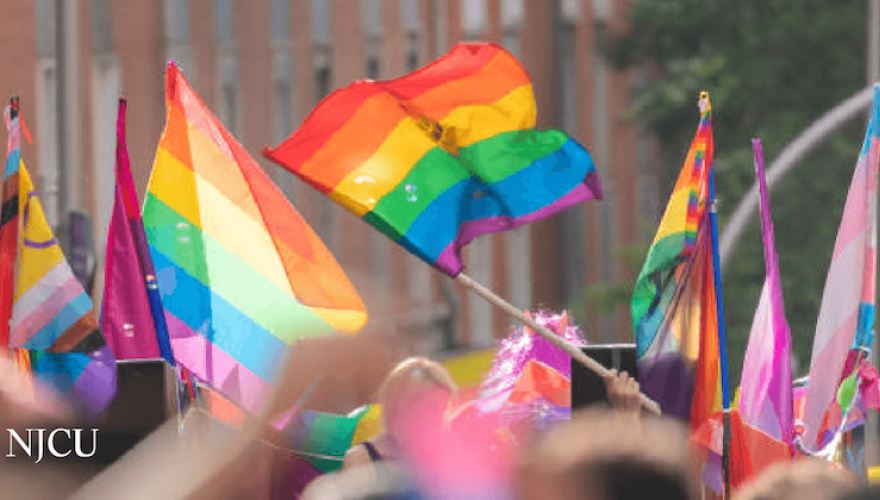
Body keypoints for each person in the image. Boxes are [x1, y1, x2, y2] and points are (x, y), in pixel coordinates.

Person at [342, 357, 458, 471]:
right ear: (399, 406)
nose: (438, 415)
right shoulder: (362, 458)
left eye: (443, 406)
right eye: (429, 406)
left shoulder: (455, 452)